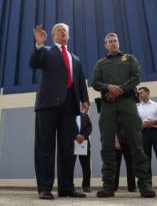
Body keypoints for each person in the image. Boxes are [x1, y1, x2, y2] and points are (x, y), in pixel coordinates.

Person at [29, 23, 89, 200]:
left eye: (65, 31)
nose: (62, 32)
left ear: (68, 37)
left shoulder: (76, 59)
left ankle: (67, 188)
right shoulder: (46, 52)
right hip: (48, 105)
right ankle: (45, 188)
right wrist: (38, 44)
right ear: (53, 36)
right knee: (45, 147)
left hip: (70, 107)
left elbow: (79, 80)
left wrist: (84, 99)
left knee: (67, 149)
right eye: (58, 31)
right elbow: (34, 63)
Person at [91, 32, 155, 198]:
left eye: (115, 41)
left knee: (136, 141)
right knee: (107, 144)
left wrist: (120, 89)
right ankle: (108, 186)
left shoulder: (129, 59)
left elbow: (136, 77)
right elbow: (95, 84)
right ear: (105, 45)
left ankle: (145, 185)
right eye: (110, 41)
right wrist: (109, 87)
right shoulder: (101, 63)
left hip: (127, 103)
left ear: (118, 43)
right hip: (108, 105)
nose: (113, 43)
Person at [114, 123, 136, 192]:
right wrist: (116, 141)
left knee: (130, 165)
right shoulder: (117, 116)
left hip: (128, 142)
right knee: (116, 165)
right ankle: (114, 186)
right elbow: (114, 129)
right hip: (119, 142)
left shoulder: (128, 116)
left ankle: (132, 187)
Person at [73, 112, 92, 192]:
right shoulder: (69, 115)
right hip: (72, 142)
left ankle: (86, 185)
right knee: (70, 165)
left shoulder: (85, 116)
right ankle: (69, 185)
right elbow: (66, 127)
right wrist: (76, 135)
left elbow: (89, 127)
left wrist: (83, 136)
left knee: (86, 165)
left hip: (84, 143)